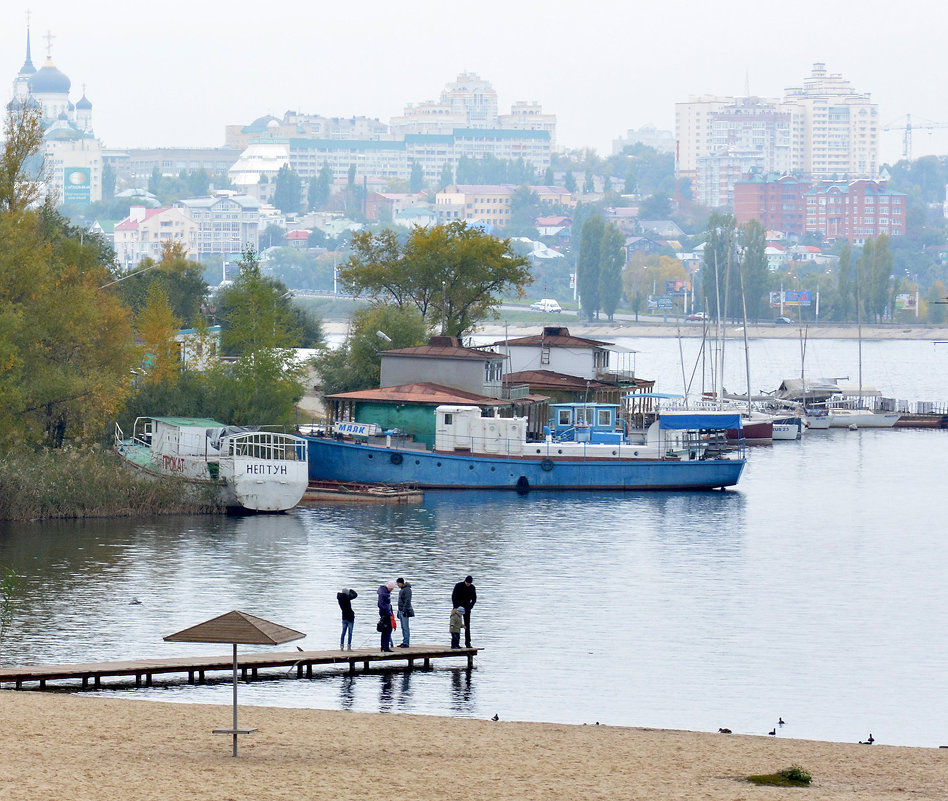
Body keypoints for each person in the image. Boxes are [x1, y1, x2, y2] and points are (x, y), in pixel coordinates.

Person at [451, 575, 476, 647]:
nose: (468, 584)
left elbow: (474, 599)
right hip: (457, 608)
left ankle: (468, 643)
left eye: (469, 583)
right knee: (456, 625)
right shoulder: (458, 586)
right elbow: (453, 596)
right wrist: (455, 607)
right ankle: (455, 643)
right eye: (467, 583)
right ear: (465, 581)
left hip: (467, 608)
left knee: (467, 625)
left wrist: (470, 607)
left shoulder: (472, 588)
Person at [395, 577, 414, 647]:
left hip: (405, 611)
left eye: (398, 583)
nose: (397, 585)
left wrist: (404, 610)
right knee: (403, 627)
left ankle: (406, 642)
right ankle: (404, 641)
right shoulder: (402, 590)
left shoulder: (407, 590)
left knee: (406, 627)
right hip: (400, 610)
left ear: (401, 583)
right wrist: (398, 611)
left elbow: (407, 601)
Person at [377, 581, 395, 652]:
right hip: (385, 614)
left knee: (385, 630)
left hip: (385, 613)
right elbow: (380, 604)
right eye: (392, 589)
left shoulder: (384, 592)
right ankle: (385, 647)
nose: (392, 590)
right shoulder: (383, 594)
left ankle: (384, 647)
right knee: (388, 629)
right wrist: (387, 610)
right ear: (389, 588)